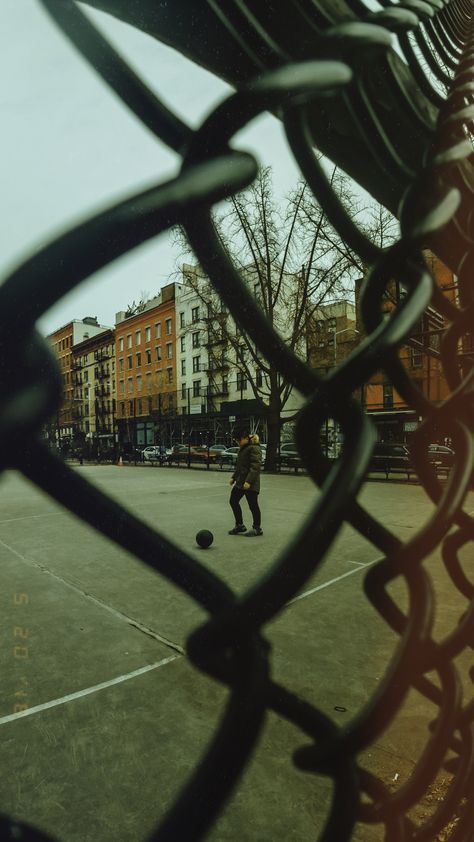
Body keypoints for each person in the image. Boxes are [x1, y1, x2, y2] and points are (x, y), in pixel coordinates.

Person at [228, 427, 263, 537]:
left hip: (250, 483)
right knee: (233, 500)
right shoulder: (243, 447)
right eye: (236, 441)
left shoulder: (254, 448)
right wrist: (234, 477)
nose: (238, 442)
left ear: (245, 437)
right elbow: (240, 466)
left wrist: (248, 481)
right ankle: (240, 525)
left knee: (253, 505)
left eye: (239, 440)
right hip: (240, 482)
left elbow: (255, 467)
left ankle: (257, 528)